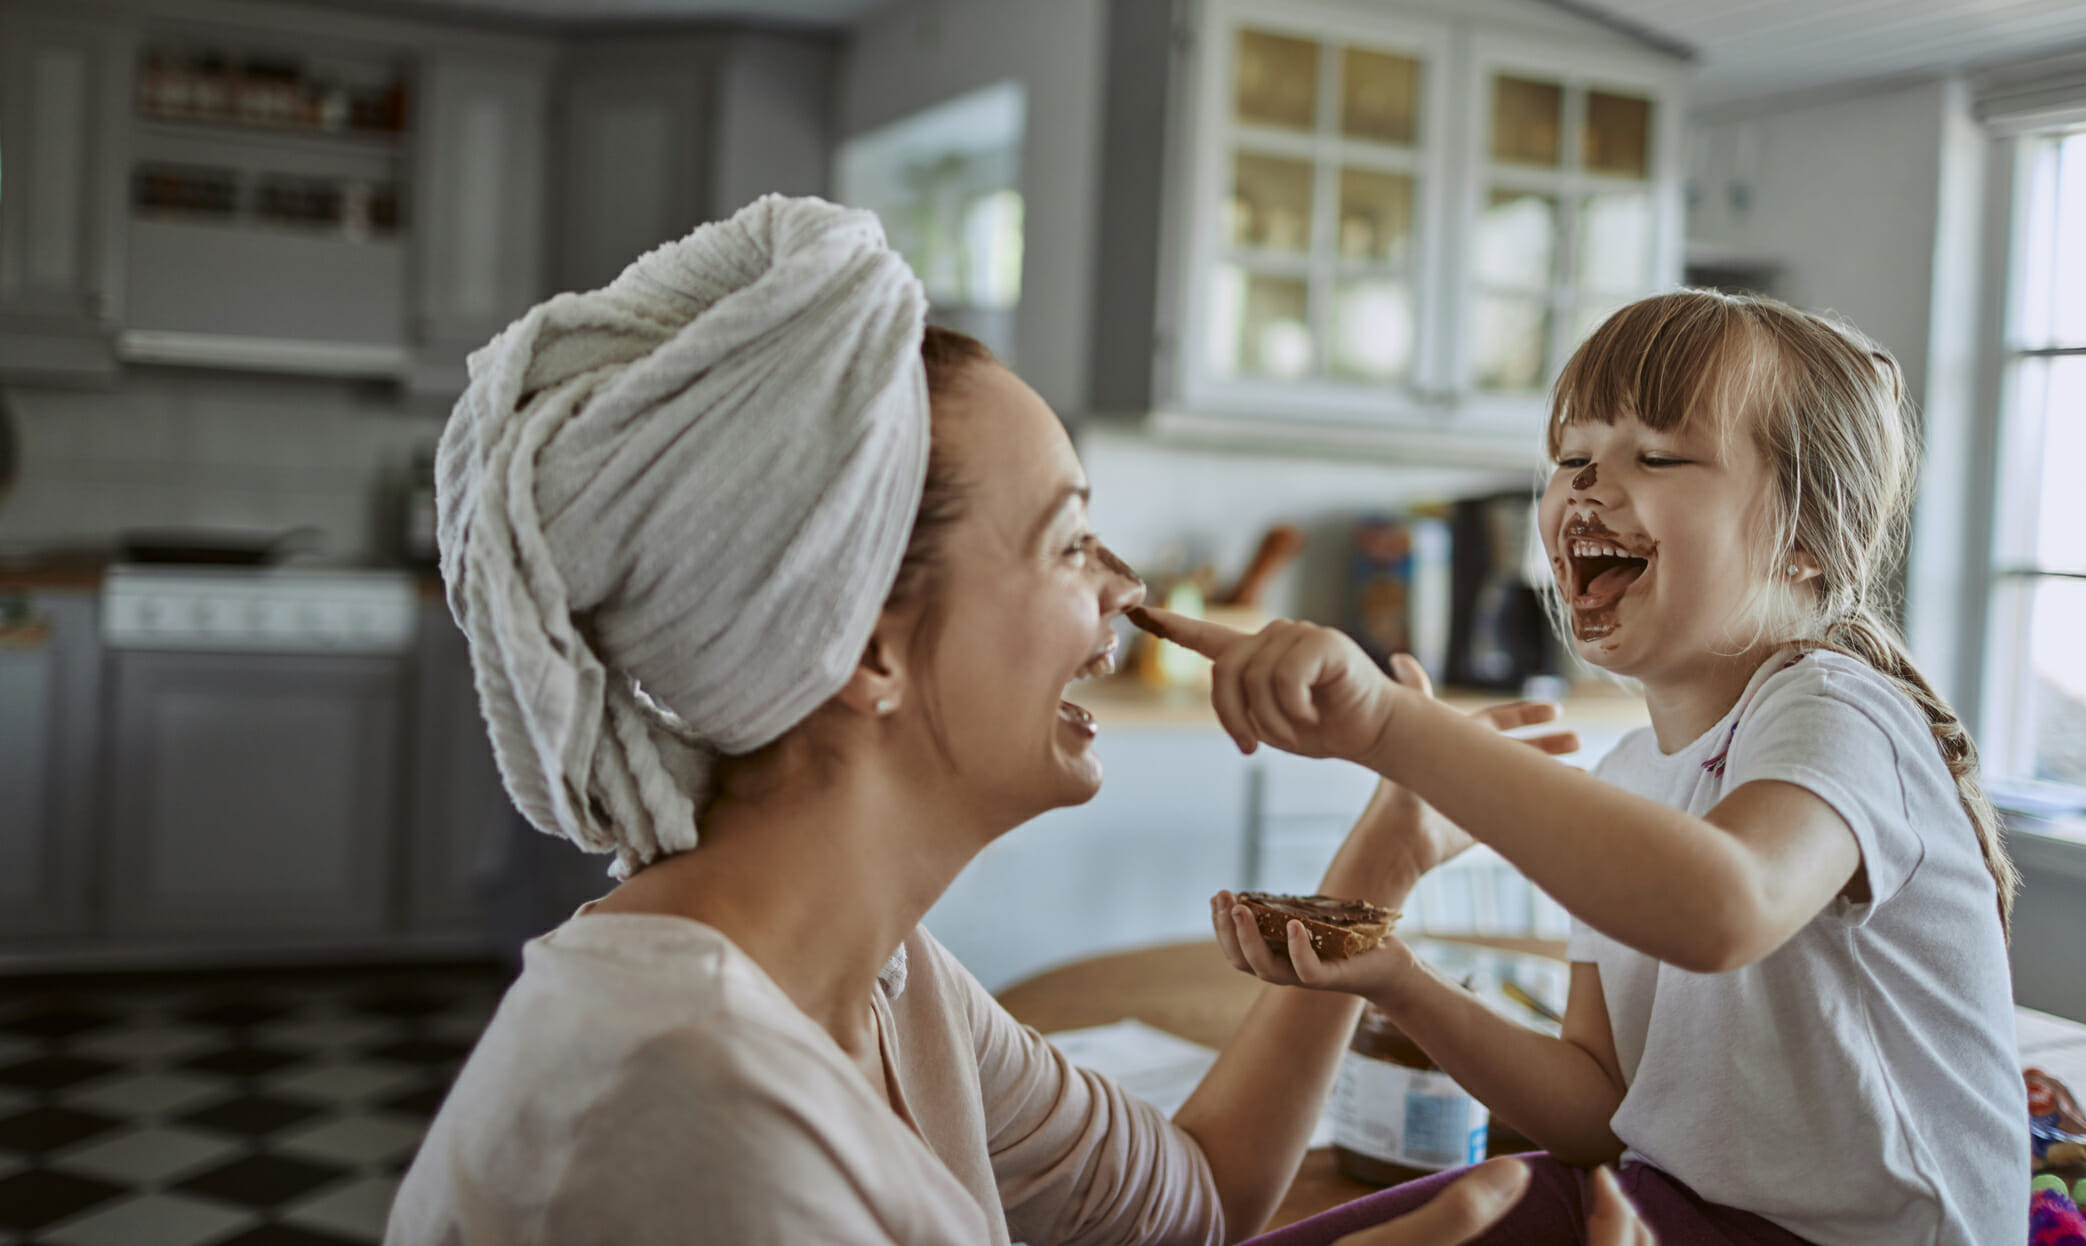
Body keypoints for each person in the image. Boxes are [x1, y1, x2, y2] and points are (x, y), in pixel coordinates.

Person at [385, 195, 1636, 1245]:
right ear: (866, 647)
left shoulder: (886, 980)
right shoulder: (686, 1107)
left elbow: (1195, 1199)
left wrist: (1385, 854)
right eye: (1069, 541)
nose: (1127, 589)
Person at [1139, 291, 2023, 1246]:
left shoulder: (1837, 711)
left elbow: (1720, 908)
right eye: (1570, 458)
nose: (1586, 487)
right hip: (1674, 1205)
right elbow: (1598, 1110)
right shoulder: (1627, 774)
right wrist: (1400, 983)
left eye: (1656, 456)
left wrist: (1389, 726)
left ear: (1804, 538)